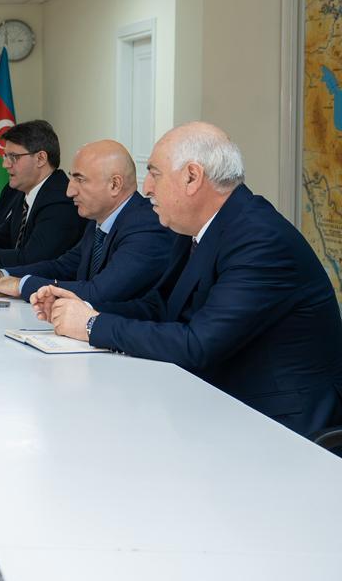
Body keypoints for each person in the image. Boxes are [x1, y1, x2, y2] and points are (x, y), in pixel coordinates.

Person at [34, 123, 342, 437]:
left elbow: (198, 344)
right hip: (218, 399)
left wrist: (91, 325)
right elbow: (160, 306)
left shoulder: (260, 239)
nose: (146, 188)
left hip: (280, 425)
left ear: (192, 177)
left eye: (154, 174)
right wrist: (83, 309)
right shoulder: (198, 227)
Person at [0, 140, 182, 304]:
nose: (69, 191)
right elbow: (64, 267)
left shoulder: (147, 227)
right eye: (71, 178)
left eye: (80, 180)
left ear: (115, 185)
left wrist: (21, 285)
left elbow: (99, 293)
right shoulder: (98, 219)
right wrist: (2, 274)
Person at [0, 120, 83, 266]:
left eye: (13, 157)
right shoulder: (22, 191)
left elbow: (31, 258)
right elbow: (3, 234)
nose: (5, 164)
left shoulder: (60, 199)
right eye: (5, 156)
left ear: (40, 159)